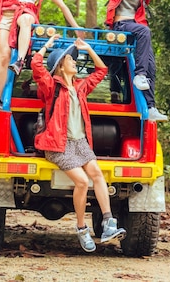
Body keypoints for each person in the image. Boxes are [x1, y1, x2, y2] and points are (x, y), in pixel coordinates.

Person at [31, 35, 126, 252]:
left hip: (80, 143)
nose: (75, 61)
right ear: (60, 66)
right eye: (70, 59)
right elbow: (36, 65)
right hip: (57, 144)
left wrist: (89, 48)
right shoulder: (50, 85)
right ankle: (82, 229)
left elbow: (101, 71)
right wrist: (47, 45)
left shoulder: (81, 87)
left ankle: (108, 223)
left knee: (97, 175)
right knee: (82, 182)